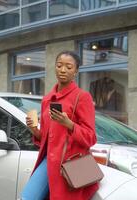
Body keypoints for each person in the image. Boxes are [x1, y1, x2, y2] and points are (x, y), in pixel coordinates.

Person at [21, 51, 99, 200]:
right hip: (48, 162)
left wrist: (68, 123)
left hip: (69, 165)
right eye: (59, 65)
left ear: (76, 71)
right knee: (27, 197)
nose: (63, 70)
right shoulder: (47, 99)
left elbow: (91, 137)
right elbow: (45, 137)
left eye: (69, 67)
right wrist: (33, 129)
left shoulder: (82, 97)